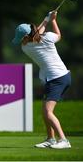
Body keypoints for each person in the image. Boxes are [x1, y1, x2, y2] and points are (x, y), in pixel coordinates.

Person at [12, 11, 71, 149]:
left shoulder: (26, 47)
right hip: (57, 77)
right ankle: (51, 139)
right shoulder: (47, 38)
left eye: (21, 38)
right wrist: (52, 20)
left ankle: (63, 140)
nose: (20, 41)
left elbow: (37, 33)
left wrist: (47, 19)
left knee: (48, 112)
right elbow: (57, 36)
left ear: (26, 37)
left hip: (58, 78)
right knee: (45, 111)